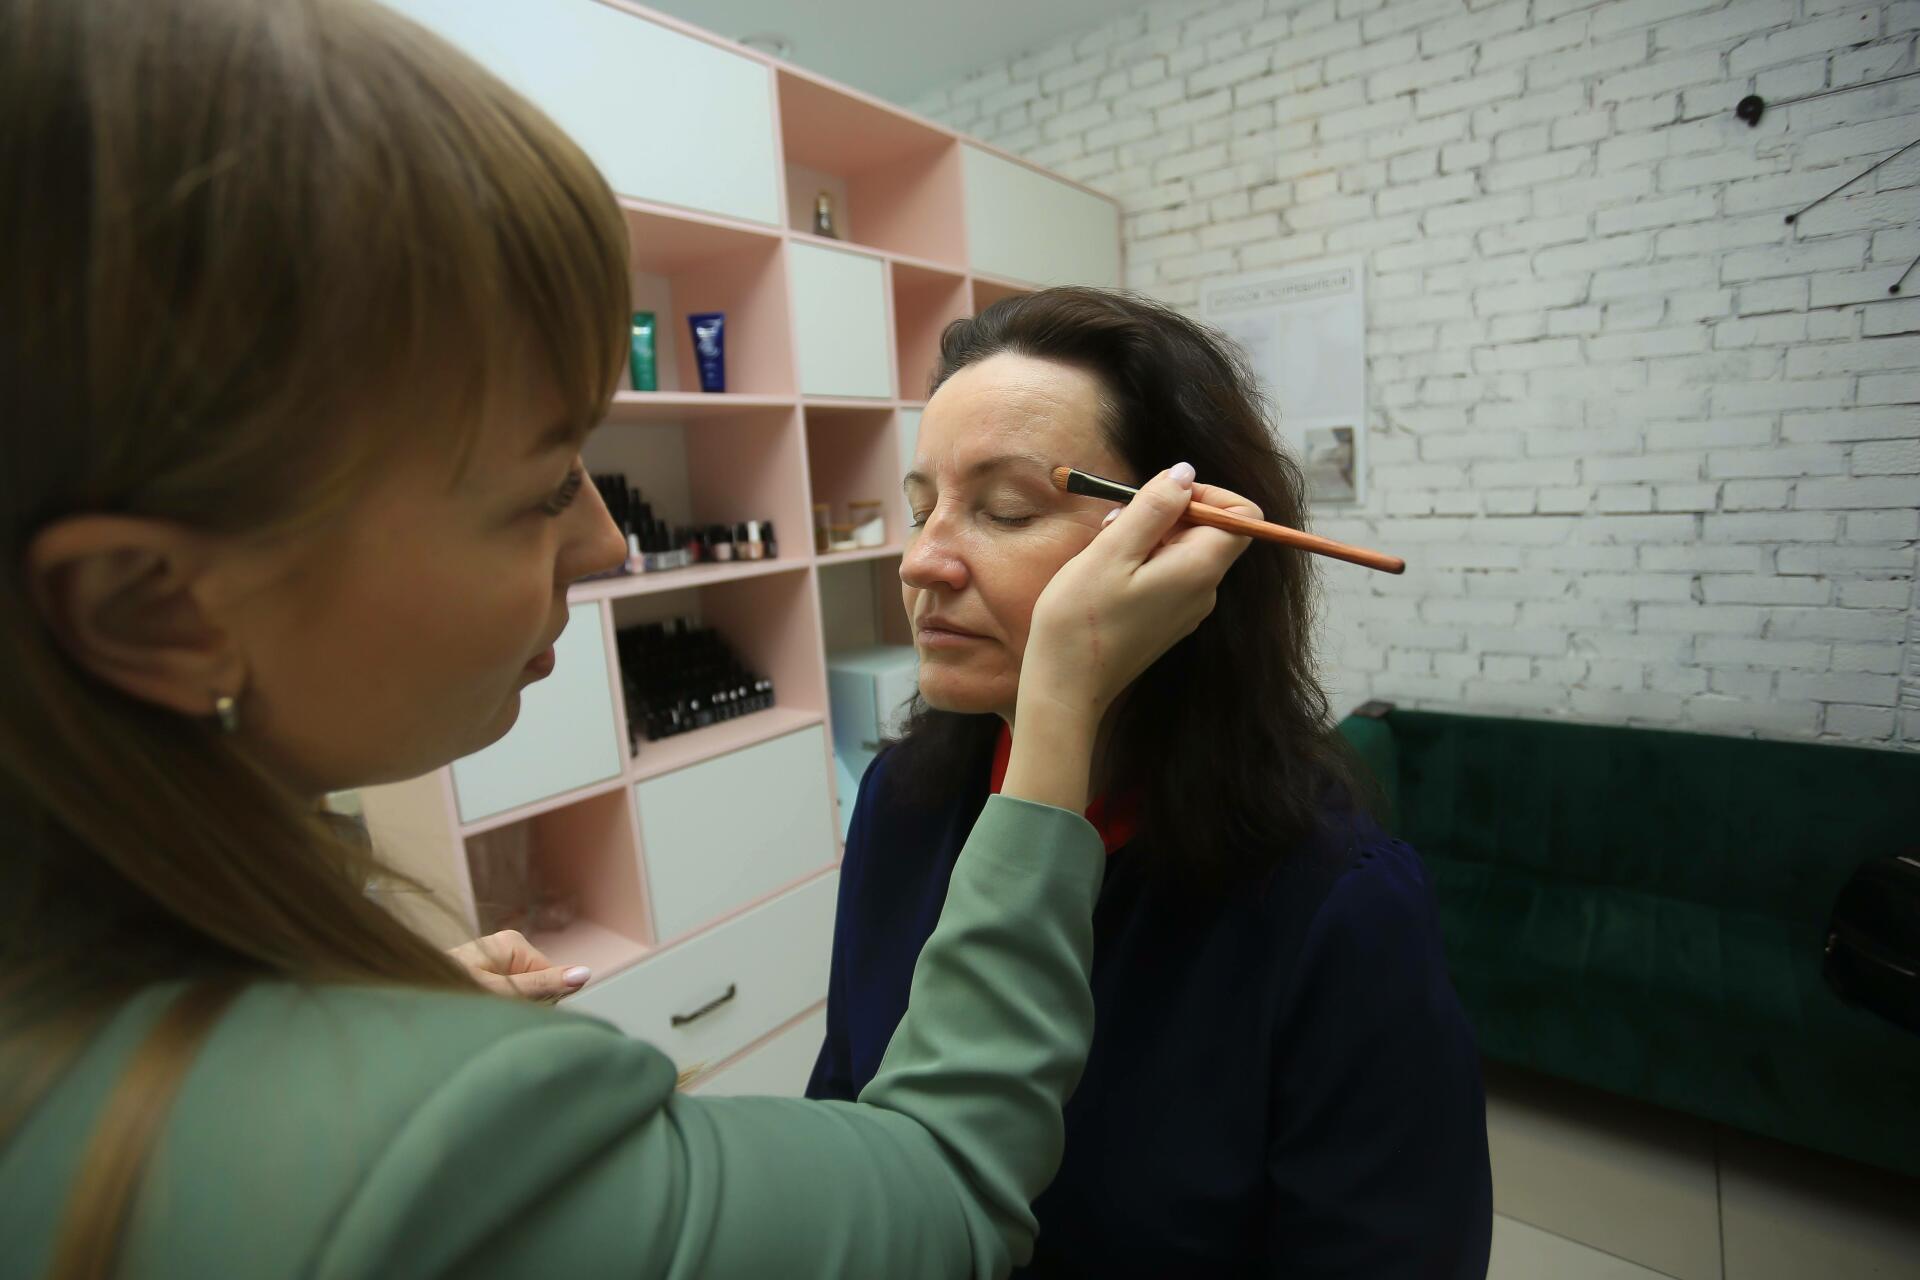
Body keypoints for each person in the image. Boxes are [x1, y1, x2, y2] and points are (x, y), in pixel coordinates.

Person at [0, 2, 1253, 1275]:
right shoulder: (903, 800)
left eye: (1006, 507)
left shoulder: (1319, 891)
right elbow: (931, 1180)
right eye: (545, 483)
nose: (608, 544)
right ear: (154, 606)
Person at [808, 288, 1494, 1277]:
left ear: (1184, 545)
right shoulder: (900, 799)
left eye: (1005, 509)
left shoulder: (1338, 907)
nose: (922, 561)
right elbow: (843, 1117)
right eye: (921, 508)